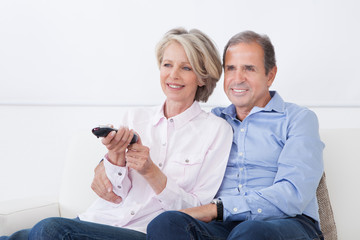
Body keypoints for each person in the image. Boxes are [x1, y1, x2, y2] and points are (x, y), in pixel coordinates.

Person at [0, 28, 233, 240]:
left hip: (141, 231)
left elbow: (196, 211)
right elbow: (113, 194)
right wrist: (115, 159)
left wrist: (150, 171)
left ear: (203, 77)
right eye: (167, 65)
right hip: (97, 221)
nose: (173, 75)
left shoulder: (216, 131)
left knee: (49, 230)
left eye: (186, 67)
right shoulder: (135, 117)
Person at [146, 31, 325, 240]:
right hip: (222, 228)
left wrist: (217, 209)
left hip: (287, 224)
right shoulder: (213, 122)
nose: (238, 79)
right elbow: (165, 143)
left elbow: (293, 194)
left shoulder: (297, 119)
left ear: (270, 75)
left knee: (249, 232)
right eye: (231, 69)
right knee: (166, 222)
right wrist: (111, 160)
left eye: (249, 68)